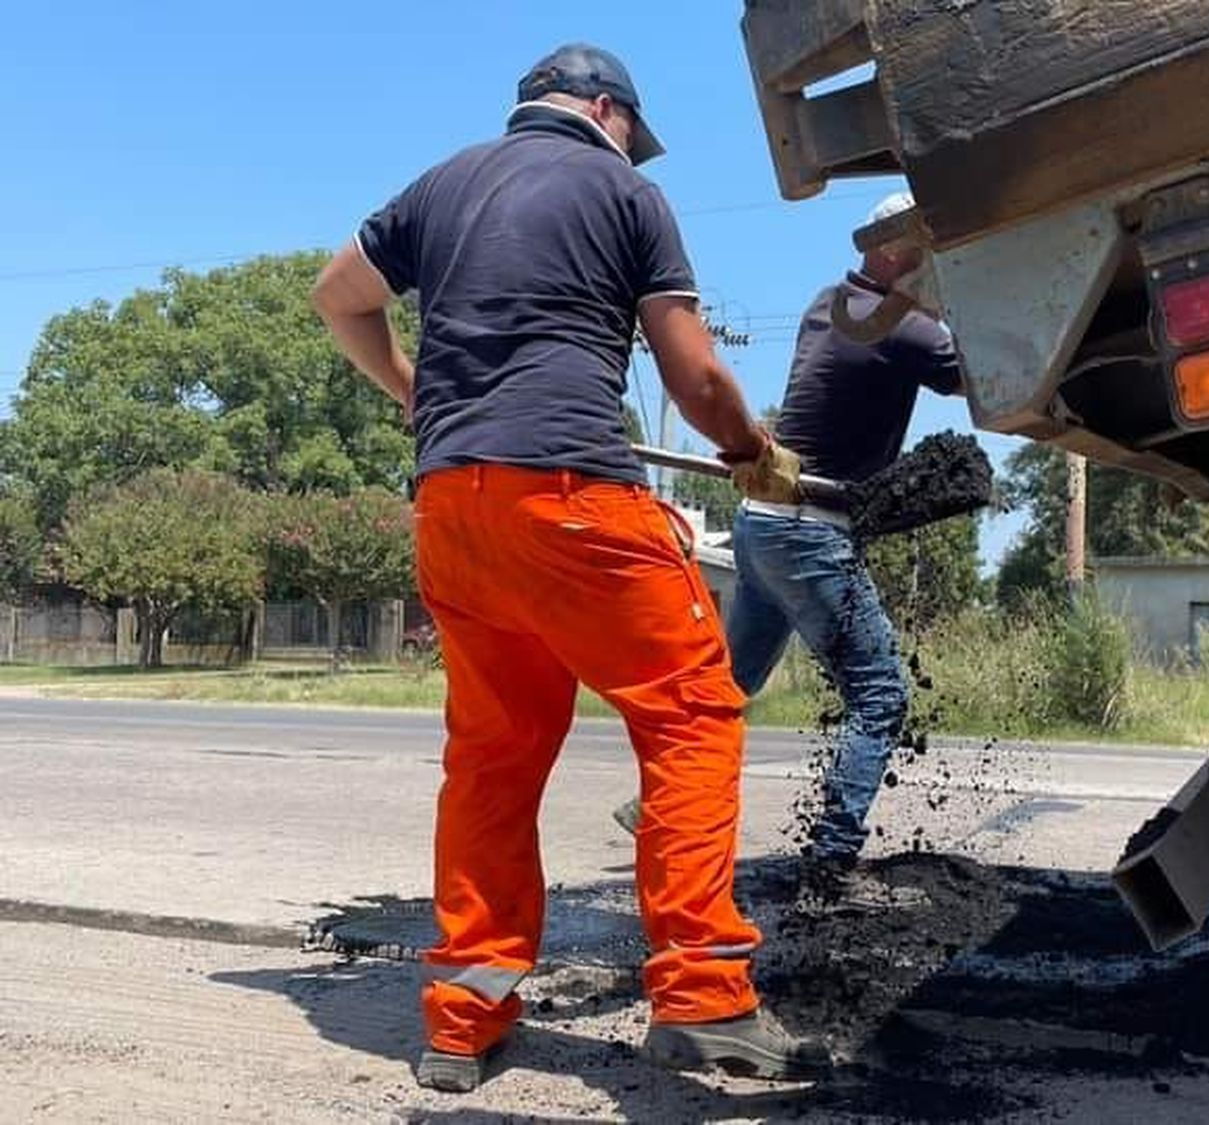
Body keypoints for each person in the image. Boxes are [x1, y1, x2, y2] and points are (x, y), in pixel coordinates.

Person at [312, 43, 826, 1093]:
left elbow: (337, 296)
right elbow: (695, 370)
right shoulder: (622, 188)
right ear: (607, 109)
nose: (640, 148)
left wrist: (413, 393)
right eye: (637, 131)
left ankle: (465, 1017)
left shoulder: (440, 185)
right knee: (691, 713)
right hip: (573, 501)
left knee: (495, 755)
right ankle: (703, 996)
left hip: (453, 507)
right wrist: (751, 455)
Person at [615, 193, 964, 889]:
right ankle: (832, 859)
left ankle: (656, 803)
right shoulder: (906, 329)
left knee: (728, 686)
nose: (940, 273)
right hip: (813, 531)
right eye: (933, 256)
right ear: (897, 253)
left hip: (763, 525)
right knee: (880, 695)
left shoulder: (823, 301)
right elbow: (979, 376)